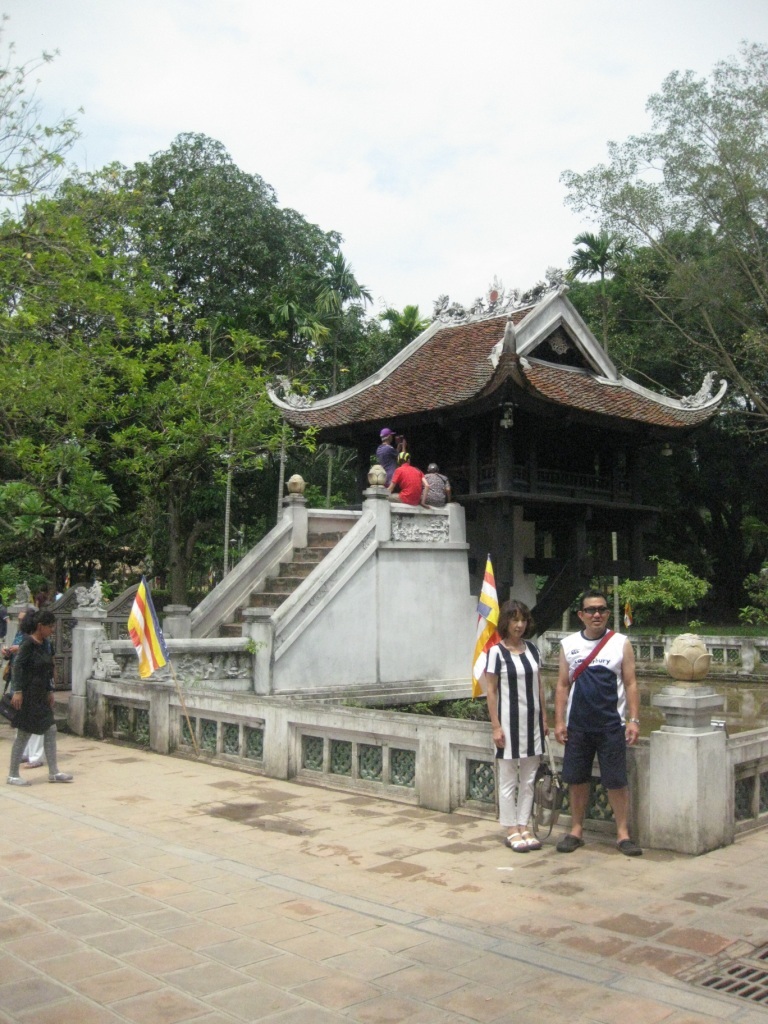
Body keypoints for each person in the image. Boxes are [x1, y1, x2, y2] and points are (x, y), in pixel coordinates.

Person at [554, 589, 641, 856]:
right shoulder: (569, 645)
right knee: (577, 779)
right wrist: (558, 721)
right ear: (581, 615)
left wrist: (634, 720)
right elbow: (561, 685)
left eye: (602, 609)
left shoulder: (620, 642)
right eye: (591, 610)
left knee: (616, 781)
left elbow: (630, 683)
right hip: (578, 725)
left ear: (607, 613)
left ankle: (623, 834)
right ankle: (576, 830)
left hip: (611, 725)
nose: (597, 615)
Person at [482, 600, 548, 852]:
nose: (519, 625)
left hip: (532, 722)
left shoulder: (532, 649)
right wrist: (495, 726)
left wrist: (544, 719)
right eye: (514, 620)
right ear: (506, 623)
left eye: (523, 620)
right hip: (508, 723)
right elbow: (491, 691)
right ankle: (510, 827)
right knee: (509, 778)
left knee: (530, 778)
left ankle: (524, 824)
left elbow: (539, 686)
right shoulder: (496, 653)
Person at [7, 610, 73, 786]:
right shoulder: (28, 643)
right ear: (40, 626)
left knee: (50, 730)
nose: (52, 629)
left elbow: (49, 668)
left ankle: (54, 772)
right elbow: (17, 666)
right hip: (27, 695)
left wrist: (50, 690)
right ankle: (13, 774)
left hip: (41, 695)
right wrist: (18, 690)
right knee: (24, 734)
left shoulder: (46, 644)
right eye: (50, 626)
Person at [3, 607, 45, 769]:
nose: (19, 622)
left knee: (37, 722)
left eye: (22, 619)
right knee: (19, 719)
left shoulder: (39, 638)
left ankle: (35, 756)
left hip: (33, 686)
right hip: (18, 683)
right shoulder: (21, 634)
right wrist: (8, 652)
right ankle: (24, 753)